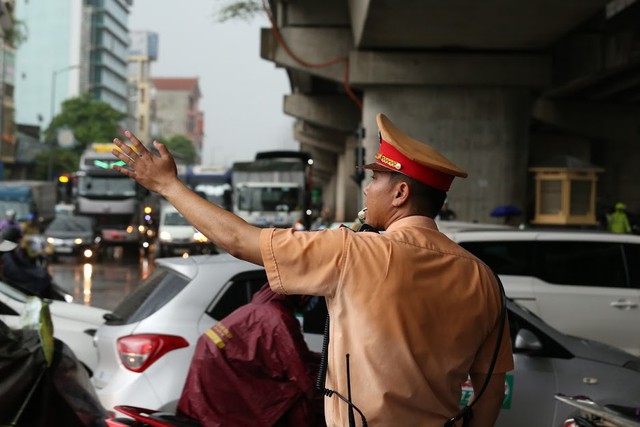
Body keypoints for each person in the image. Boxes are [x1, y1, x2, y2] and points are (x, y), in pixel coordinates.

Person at [112, 113, 514, 427]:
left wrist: (167, 186)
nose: (367, 189)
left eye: (374, 178)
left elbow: (239, 240)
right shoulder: (483, 279)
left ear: (401, 193)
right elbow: (491, 391)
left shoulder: (354, 251)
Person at [176, 283, 322, 426]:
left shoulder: (259, 308)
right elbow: (300, 371)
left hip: (212, 371)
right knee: (296, 398)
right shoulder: (278, 318)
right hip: (221, 377)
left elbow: (294, 356)